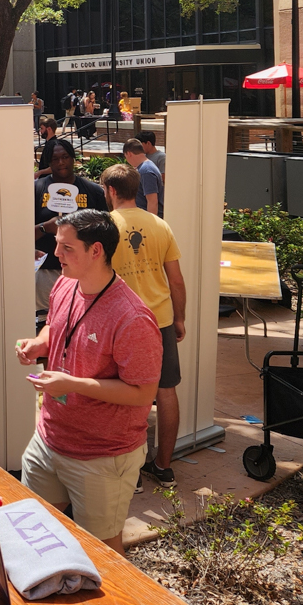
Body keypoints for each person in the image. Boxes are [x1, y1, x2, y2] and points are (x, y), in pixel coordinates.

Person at [14, 209, 162, 555]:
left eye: (67, 248)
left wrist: (73, 385)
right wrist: (41, 343)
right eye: (56, 244)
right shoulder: (65, 284)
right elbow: (55, 326)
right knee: (33, 530)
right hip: (50, 438)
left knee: (103, 551)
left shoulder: (132, 318)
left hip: (102, 456)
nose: (55, 255)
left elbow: (144, 393)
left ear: (96, 251)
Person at [102, 164, 186, 485]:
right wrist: (178, 318)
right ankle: (164, 467)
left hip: (120, 322)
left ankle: (130, 473)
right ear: (137, 189)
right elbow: (175, 281)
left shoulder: (105, 227)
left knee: (124, 395)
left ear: (110, 191)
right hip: (160, 319)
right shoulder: (160, 226)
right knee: (166, 391)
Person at [35, 140, 108, 322]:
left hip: (84, 272)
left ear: (73, 158)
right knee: (48, 324)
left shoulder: (92, 191)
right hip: (47, 271)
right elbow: (18, 235)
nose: (61, 162)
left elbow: (105, 233)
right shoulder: (36, 190)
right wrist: (46, 227)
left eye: (65, 157)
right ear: (48, 163)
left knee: (81, 323)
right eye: (55, 159)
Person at [123, 137, 164, 216]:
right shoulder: (145, 167)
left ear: (129, 154)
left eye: (125, 156)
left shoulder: (146, 171)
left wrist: (150, 224)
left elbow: (152, 202)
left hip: (148, 219)